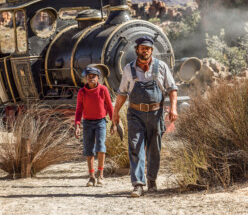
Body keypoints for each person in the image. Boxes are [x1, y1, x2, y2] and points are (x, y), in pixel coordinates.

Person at [112, 36, 178, 197]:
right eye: (142, 48)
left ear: (151, 50)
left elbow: (172, 89)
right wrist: (115, 114)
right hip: (135, 114)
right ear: (137, 49)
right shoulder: (128, 69)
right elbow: (122, 94)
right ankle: (138, 184)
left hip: (156, 114)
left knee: (154, 149)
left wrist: (173, 108)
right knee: (135, 147)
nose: (145, 50)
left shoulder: (161, 66)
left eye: (147, 48)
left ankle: (152, 180)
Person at [74, 66, 113, 187]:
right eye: (89, 76)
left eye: (93, 76)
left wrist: (114, 122)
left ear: (98, 78)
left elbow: (109, 106)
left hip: (100, 122)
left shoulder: (103, 89)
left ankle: (100, 174)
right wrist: (77, 125)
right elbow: (79, 109)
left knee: (101, 147)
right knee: (88, 149)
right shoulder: (82, 92)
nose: (91, 78)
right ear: (86, 78)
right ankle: (91, 177)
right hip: (87, 123)